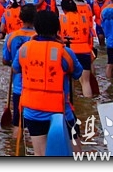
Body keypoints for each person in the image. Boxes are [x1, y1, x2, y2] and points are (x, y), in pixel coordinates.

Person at [13, 10, 83, 156]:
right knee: (76, 154)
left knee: (40, 154)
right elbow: (77, 73)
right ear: (57, 28)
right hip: (60, 111)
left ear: (36, 28)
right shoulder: (64, 52)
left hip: (32, 111)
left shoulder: (24, 49)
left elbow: (15, 68)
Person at [2, 4, 37, 140]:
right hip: (36, 85)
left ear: (20, 18)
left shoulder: (12, 36)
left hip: (19, 85)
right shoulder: (39, 37)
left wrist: (14, 62)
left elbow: (5, 60)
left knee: (18, 123)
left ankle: (14, 148)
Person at [59, 0, 95, 97]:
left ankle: (73, 101)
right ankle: (89, 103)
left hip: (69, 51)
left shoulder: (61, 19)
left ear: (63, 9)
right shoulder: (84, 18)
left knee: (70, 80)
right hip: (85, 50)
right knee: (86, 82)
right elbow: (90, 36)